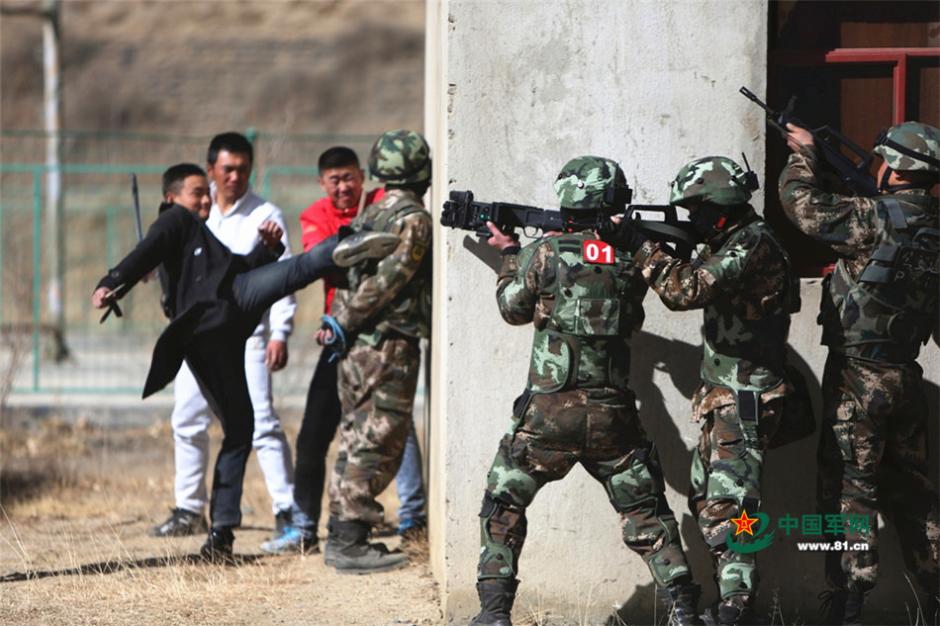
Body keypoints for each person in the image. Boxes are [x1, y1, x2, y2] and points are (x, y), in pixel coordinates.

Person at [91, 163, 398, 561]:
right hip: (216, 320)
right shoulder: (173, 220)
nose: (204, 200)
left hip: (226, 311)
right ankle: (341, 247)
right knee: (300, 271)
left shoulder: (200, 236)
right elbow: (145, 251)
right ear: (172, 198)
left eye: (207, 193)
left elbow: (229, 267)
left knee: (241, 427)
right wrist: (113, 280)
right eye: (196, 193)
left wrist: (264, 252)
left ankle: (221, 536)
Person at [469, 156, 701, 626]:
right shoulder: (634, 253)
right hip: (612, 415)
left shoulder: (546, 253)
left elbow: (512, 309)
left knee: (504, 503)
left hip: (548, 417)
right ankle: (684, 608)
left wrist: (511, 252)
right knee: (646, 512)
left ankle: (494, 614)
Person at [605, 156, 800, 625]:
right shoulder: (731, 239)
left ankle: (735, 609)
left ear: (719, 208)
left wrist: (640, 247)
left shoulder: (750, 244)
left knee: (730, 510)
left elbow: (684, 291)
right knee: (707, 503)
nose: (691, 219)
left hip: (746, 401)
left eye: (695, 210)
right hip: (724, 399)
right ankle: (731, 602)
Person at [779, 121, 940, 625]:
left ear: (893, 168)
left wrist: (804, 155)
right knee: (914, 493)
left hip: (858, 377)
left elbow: (800, 206)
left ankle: (847, 602)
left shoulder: (872, 217)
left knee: (848, 491)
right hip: (905, 376)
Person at [262, 146, 426, 555]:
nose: (342, 187)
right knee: (316, 433)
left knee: (395, 428)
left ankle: (412, 519)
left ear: (363, 178)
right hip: (339, 338)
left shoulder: (380, 207)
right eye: (334, 180)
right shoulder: (315, 216)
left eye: (349, 178)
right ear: (322, 184)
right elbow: (327, 262)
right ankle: (304, 527)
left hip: (379, 339)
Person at [151, 132, 298, 542]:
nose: (235, 176)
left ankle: (287, 511)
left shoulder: (265, 214)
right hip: (195, 338)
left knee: (261, 423)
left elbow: (282, 276)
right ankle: (189, 508)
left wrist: (279, 332)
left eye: (243, 169)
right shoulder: (194, 213)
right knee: (186, 419)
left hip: (246, 337)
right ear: (211, 168)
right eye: (227, 168)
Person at [322, 129, 432, 574]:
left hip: (358, 348)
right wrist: (345, 323)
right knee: (377, 438)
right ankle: (349, 542)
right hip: (386, 345)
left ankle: (344, 535)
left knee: (354, 438)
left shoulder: (373, 213)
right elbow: (389, 281)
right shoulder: (412, 219)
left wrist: (341, 327)